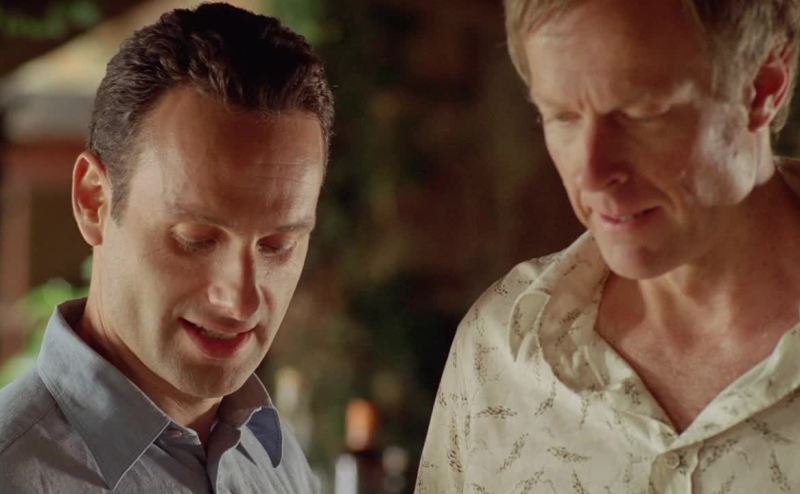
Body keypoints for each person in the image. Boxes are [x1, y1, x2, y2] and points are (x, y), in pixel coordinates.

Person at [416, 0, 800, 492]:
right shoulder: (498, 349)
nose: (593, 173)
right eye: (562, 117)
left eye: (642, 114)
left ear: (764, 86)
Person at [0, 3, 332, 493]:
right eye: (197, 240)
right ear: (94, 201)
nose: (240, 302)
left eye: (278, 245)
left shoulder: (278, 464)